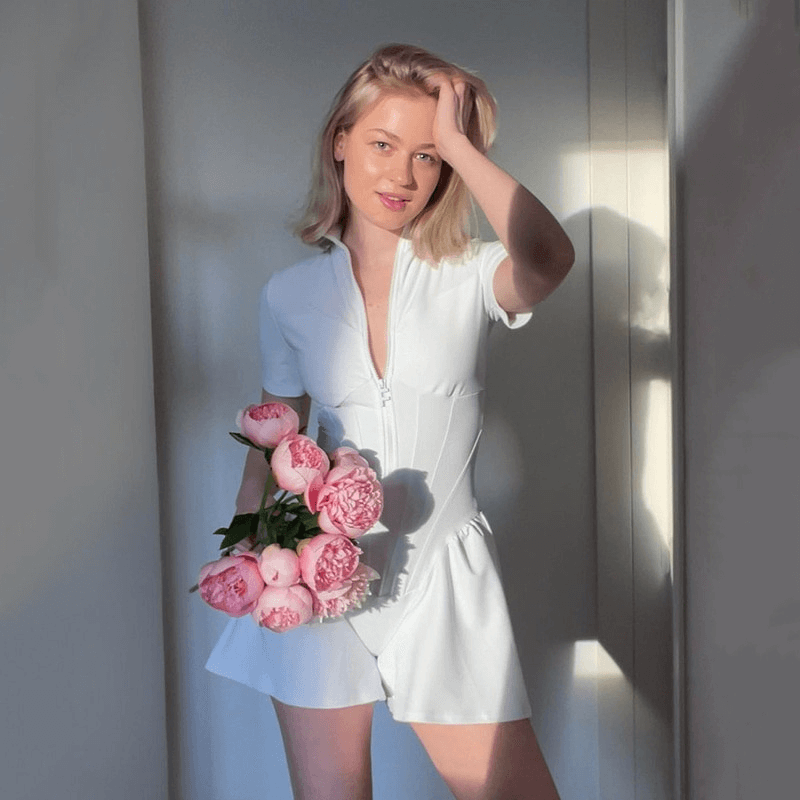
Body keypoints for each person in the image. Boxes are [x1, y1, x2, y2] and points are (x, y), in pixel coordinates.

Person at [206, 43, 574, 800]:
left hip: (442, 572)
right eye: (381, 144)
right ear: (339, 140)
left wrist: (464, 143)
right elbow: (277, 434)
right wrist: (247, 551)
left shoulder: (471, 274)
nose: (402, 175)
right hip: (318, 572)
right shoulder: (288, 294)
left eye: (428, 156)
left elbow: (549, 257)